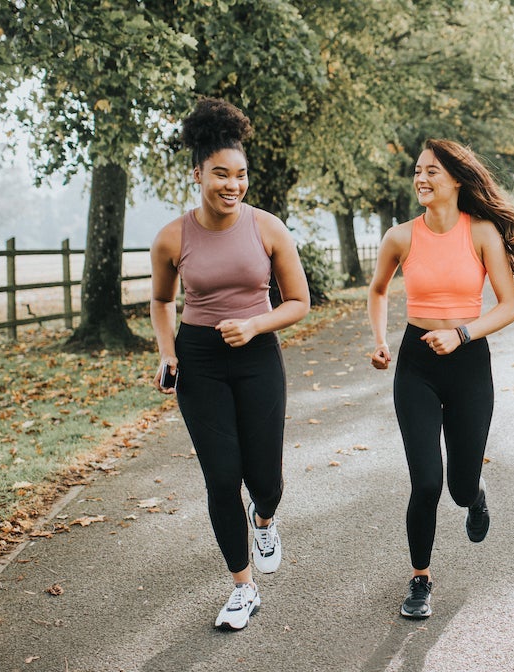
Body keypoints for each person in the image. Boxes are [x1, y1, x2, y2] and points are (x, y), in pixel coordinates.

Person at [367, 139, 514, 619]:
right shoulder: (400, 237)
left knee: (458, 486)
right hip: (416, 366)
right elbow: (377, 290)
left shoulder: (482, 234)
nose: (421, 179)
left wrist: (462, 334)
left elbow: (509, 306)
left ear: (455, 178)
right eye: (417, 171)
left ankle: (475, 495)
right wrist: (380, 340)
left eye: (432, 171)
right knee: (427, 481)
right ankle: (420, 580)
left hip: (469, 363)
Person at [149, 98, 310, 629]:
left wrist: (256, 325)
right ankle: (242, 588)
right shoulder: (173, 237)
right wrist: (168, 352)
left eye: (240, 175)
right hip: (201, 361)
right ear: (198, 174)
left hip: (258, 355)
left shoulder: (268, 228)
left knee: (265, 478)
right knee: (222, 476)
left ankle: (264, 518)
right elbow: (161, 300)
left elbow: (299, 302)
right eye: (221, 174)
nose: (232, 185)